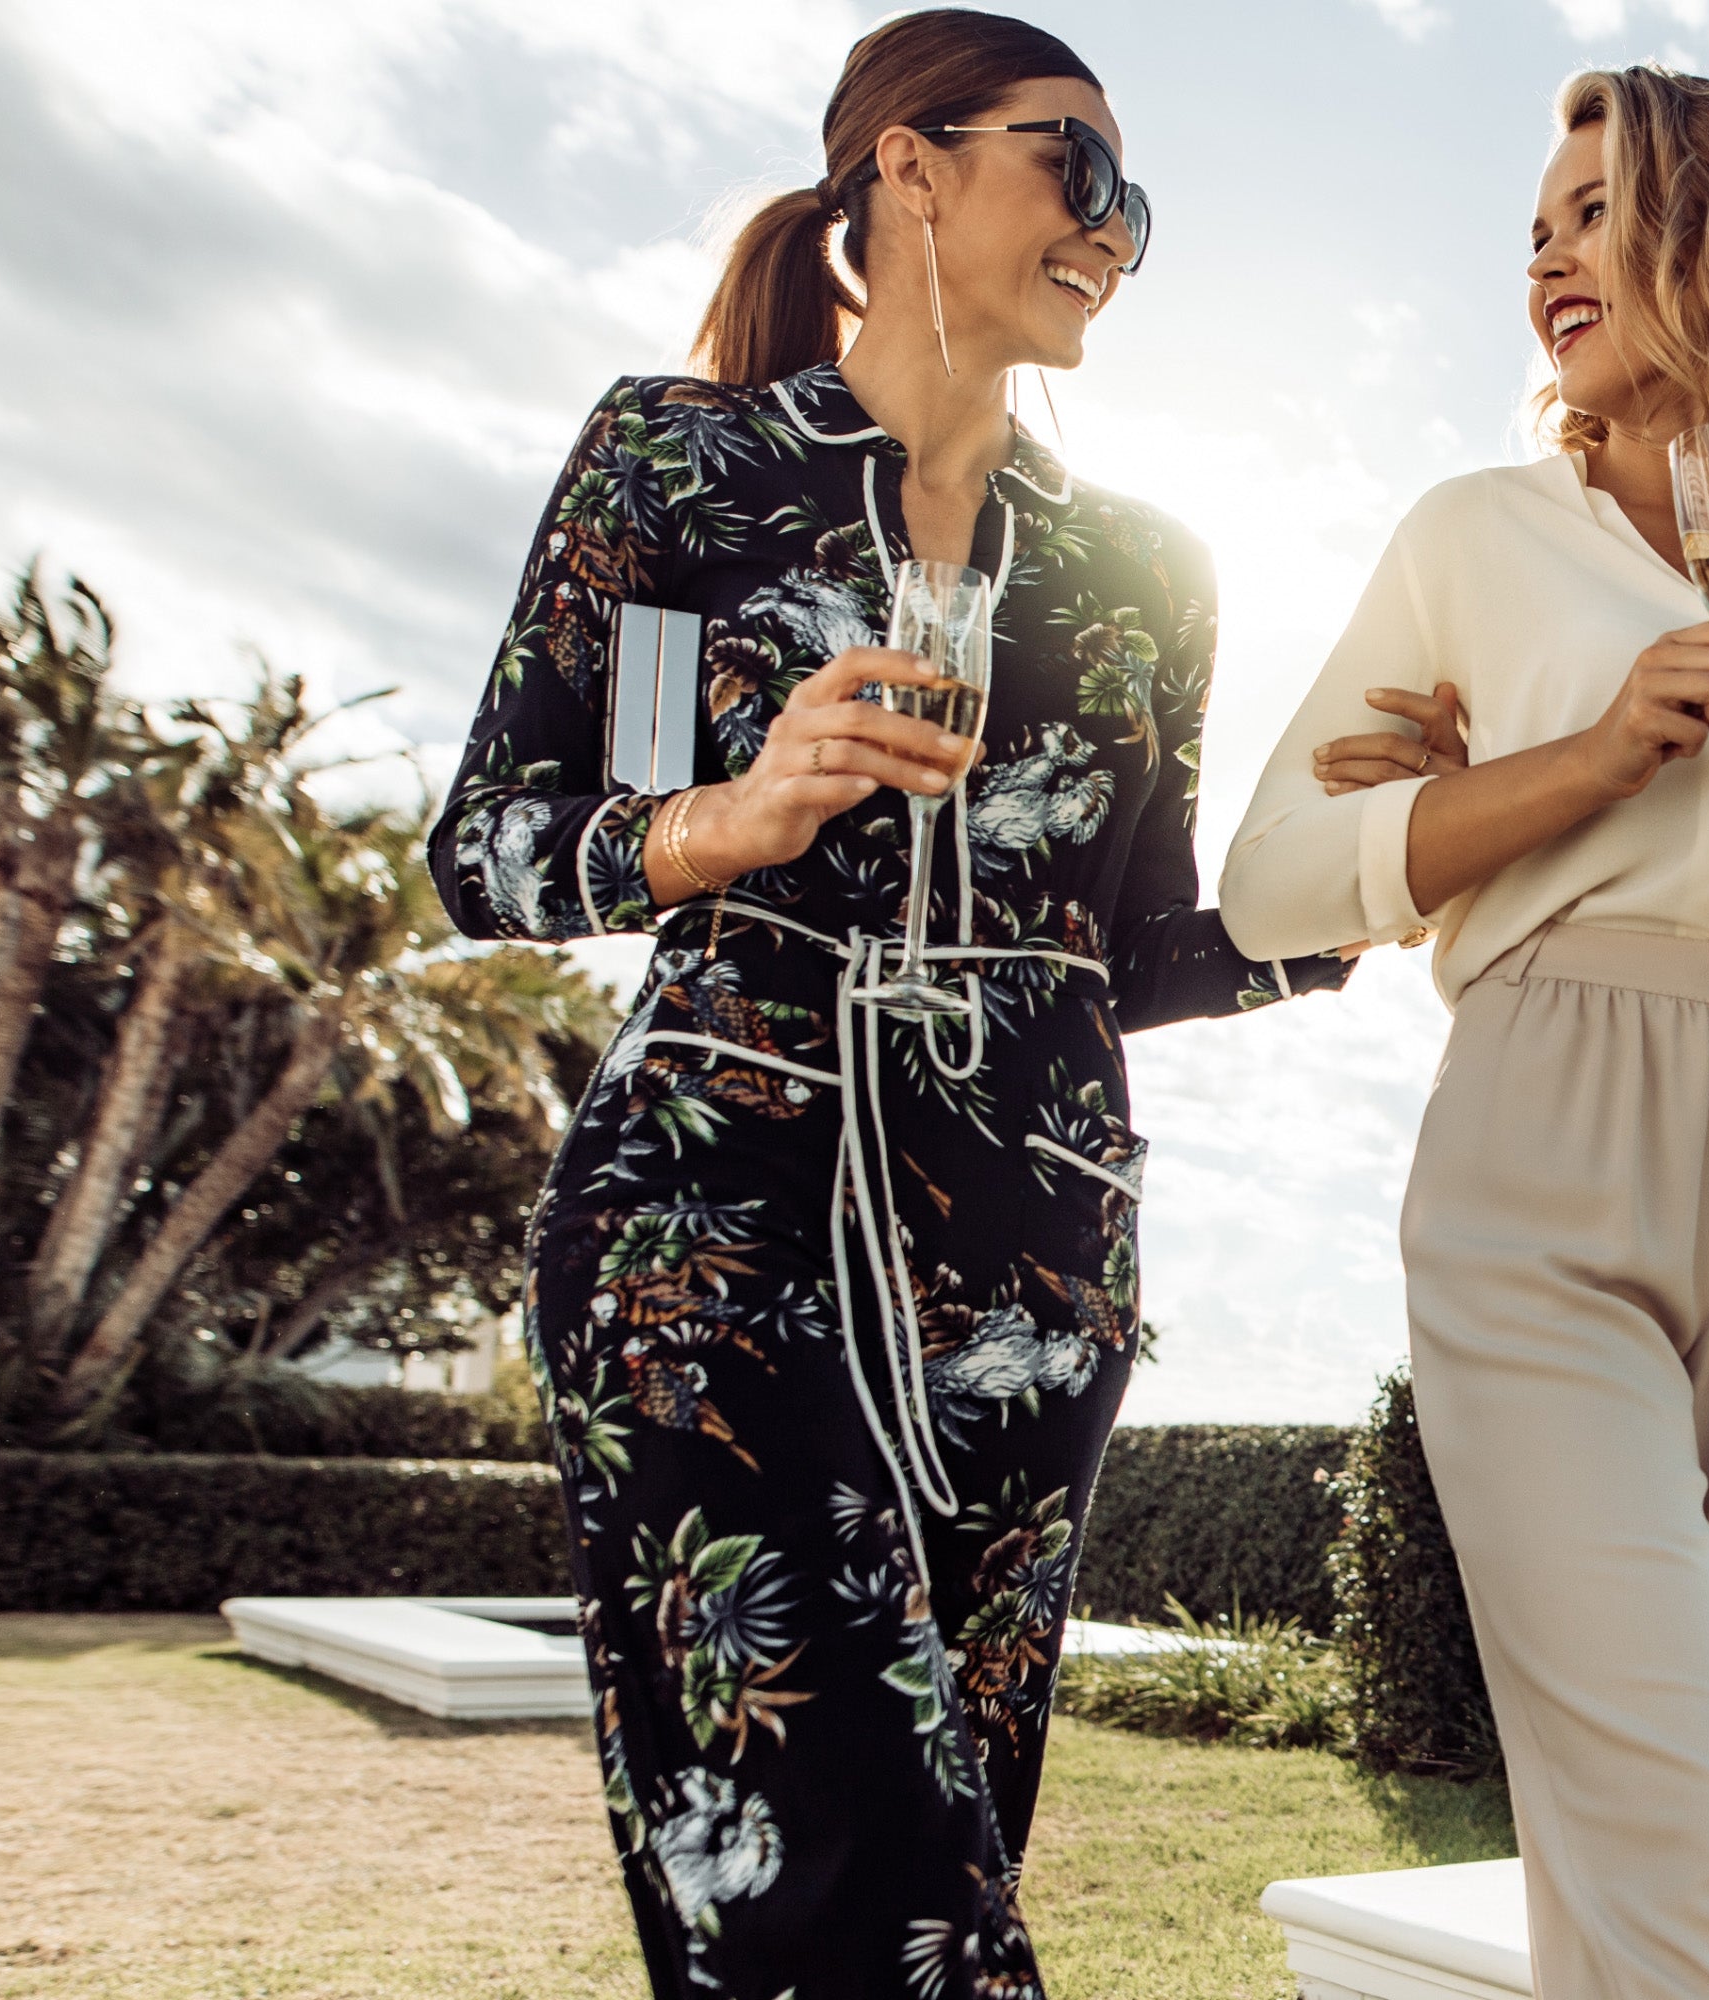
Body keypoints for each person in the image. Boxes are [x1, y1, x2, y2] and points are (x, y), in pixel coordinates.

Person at [422, 13, 1344, 1994]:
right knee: (830, 1871)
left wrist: (1378, 889)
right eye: (1077, 167)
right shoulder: (686, 464)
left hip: (1031, 1253)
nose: (1114, 228)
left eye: (1140, 203)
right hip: (712, 1200)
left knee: (952, 1852)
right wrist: (724, 818)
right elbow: (495, 845)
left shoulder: (1145, 569)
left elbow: (1131, 948)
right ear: (905, 165)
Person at [1220, 64, 1709, 2000]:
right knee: (1658, 1774)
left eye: (1596, 214)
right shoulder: (1472, 534)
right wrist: (1585, 758)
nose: (1549, 263)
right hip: (1550, 1117)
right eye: (1535, 232)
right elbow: (1269, 883)